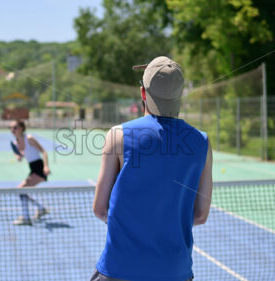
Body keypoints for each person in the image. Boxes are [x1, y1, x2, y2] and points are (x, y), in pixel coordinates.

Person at [91, 56, 213, 281]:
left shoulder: (117, 135)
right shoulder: (202, 142)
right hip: (176, 272)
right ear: (180, 96)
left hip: (120, 269)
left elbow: (100, 209)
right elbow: (200, 215)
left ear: (143, 94)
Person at [9, 120, 51, 226]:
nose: (12, 130)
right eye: (11, 128)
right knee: (22, 191)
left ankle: (26, 218)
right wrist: (19, 156)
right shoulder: (15, 143)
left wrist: (46, 167)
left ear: (22, 128)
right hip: (32, 168)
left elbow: (44, 152)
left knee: (21, 190)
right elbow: (19, 158)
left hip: (39, 168)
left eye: (15, 127)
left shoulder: (29, 138)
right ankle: (41, 209)